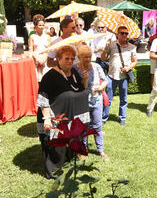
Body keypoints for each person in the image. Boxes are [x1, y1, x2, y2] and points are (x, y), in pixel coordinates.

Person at [36, 45, 89, 179]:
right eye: (66, 58)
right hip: (55, 117)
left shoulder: (74, 73)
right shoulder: (50, 76)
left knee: (67, 143)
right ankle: (53, 173)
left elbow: (81, 89)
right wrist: (47, 119)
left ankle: (67, 161)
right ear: (58, 59)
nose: (70, 61)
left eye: (72, 58)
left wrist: (85, 79)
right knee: (56, 146)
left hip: (71, 116)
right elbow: (43, 99)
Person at [74, 45, 109, 161]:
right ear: (79, 57)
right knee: (83, 128)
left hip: (96, 101)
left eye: (89, 56)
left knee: (97, 126)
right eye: (85, 57)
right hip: (82, 102)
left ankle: (101, 151)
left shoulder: (97, 66)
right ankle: (84, 151)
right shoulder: (75, 69)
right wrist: (84, 79)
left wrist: (101, 87)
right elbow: (77, 88)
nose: (88, 59)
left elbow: (105, 80)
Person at [101, 26, 138, 126]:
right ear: (117, 34)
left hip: (124, 77)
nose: (125, 35)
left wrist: (129, 67)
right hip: (111, 76)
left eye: (126, 33)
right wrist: (106, 47)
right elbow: (103, 59)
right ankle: (104, 118)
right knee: (107, 99)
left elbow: (135, 62)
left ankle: (122, 118)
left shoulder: (132, 47)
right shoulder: (112, 45)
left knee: (124, 99)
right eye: (122, 33)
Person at [28, 14, 51, 82]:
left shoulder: (48, 37)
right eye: (40, 25)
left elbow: (49, 50)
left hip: (45, 60)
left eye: (43, 25)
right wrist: (37, 59)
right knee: (37, 80)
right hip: (36, 60)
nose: (42, 27)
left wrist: (44, 60)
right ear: (35, 26)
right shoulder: (32, 36)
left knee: (46, 79)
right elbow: (31, 50)